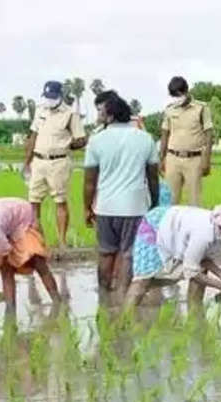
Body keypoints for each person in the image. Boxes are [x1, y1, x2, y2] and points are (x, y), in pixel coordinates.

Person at [83, 96, 160, 294]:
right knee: (128, 254)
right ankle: (122, 297)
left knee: (106, 253)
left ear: (110, 115)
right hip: (135, 207)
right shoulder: (145, 139)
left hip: (106, 207)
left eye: (101, 112)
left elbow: (90, 181)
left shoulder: (96, 141)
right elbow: (153, 178)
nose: (99, 116)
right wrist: (155, 204)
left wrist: (87, 208)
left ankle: (103, 295)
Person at [125, 205, 221, 307]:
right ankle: (123, 322)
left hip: (173, 227)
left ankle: (194, 312)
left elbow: (202, 259)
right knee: (143, 280)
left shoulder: (217, 232)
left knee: (202, 270)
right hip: (155, 226)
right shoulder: (204, 234)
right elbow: (191, 271)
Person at [24, 81, 87, 253]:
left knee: (60, 200)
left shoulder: (70, 114)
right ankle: (38, 243)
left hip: (59, 162)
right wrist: (26, 162)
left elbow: (81, 138)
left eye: (52, 97)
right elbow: (33, 136)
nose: (49, 101)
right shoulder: (40, 110)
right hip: (38, 161)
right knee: (33, 201)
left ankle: (62, 242)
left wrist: (68, 146)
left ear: (60, 96)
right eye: (47, 97)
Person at [0, 198, 61, 312]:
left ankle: (57, 301)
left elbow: (3, 254)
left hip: (22, 216)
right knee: (6, 270)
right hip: (5, 218)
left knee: (38, 262)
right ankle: (10, 309)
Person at [159, 76, 214, 206]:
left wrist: (206, 160)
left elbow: (209, 135)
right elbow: (165, 134)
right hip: (173, 158)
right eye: (174, 96)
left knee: (194, 201)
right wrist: (162, 158)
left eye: (178, 94)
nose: (177, 98)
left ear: (185, 91)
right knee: (169, 200)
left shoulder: (201, 108)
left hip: (194, 159)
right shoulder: (170, 109)